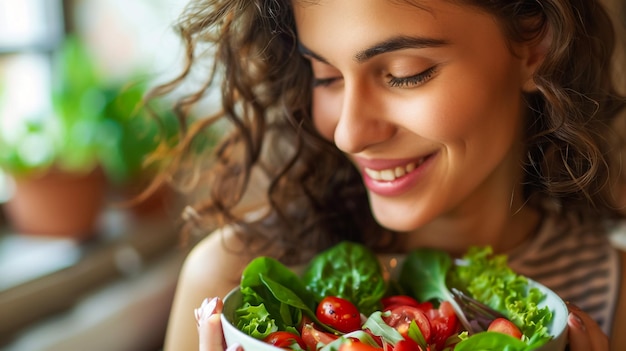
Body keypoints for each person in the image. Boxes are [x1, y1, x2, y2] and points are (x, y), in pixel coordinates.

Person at [149, 0, 626, 350]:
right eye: (326, 77)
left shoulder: (611, 293)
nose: (349, 134)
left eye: (406, 72)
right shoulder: (226, 284)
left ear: (534, 45)